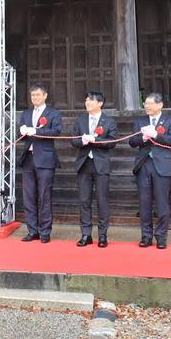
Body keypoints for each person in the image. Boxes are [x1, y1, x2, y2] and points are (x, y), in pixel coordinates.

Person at [128, 92, 171, 249]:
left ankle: (161, 236)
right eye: (146, 104)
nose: (147, 106)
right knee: (144, 203)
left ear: (160, 105)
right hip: (144, 164)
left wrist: (156, 134)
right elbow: (132, 142)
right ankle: (146, 236)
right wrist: (143, 138)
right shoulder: (140, 121)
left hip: (161, 165)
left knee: (162, 203)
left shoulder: (170, 121)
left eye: (150, 104)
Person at [70, 91, 118, 248]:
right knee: (84, 200)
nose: (87, 103)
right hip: (84, 163)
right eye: (86, 100)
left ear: (100, 103)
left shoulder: (109, 121)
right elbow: (73, 140)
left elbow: (113, 142)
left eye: (90, 100)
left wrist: (96, 140)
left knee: (102, 200)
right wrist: (82, 141)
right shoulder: (81, 120)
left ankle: (102, 235)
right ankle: (86, 234)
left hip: (101, 164)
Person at [18, 84, 62, 243]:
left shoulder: (53, 113)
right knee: (28, 196)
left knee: (44, 196)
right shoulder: (26, 113)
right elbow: (20, 135)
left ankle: (45, 232)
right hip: (28, 158)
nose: (35, 98)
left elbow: (56, 131)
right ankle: (32, 230)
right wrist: (22, 131)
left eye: (37, 95)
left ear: (45, 96)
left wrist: (36, 131)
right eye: (32, 95)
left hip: (45, 159)